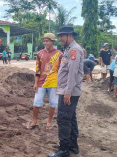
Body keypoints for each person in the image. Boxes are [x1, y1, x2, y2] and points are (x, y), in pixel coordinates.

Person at [48, 26, 84, 157]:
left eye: (62, 35)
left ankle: (64, 150)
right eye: (60, 35)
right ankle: (73, 146)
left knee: (63, 119)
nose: (60, 38)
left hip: (68, 91)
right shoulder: (69, 49)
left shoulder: (74, 50)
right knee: (70, 118)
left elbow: (73, 73)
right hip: (67, 90)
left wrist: (68, 92)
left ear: (70, 35)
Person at [27, 33, 62, 130]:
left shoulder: (59, 54)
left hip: (54, 82)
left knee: (53, 103)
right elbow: (37, 70)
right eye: (44, 41)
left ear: (52, 42)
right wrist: (35, 83)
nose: (45, 42)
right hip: (41, 82)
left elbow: (61, 70)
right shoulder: (39, 54)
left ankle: (49, 122)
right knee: (36, 102)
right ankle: (34, 121)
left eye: (47, 41)